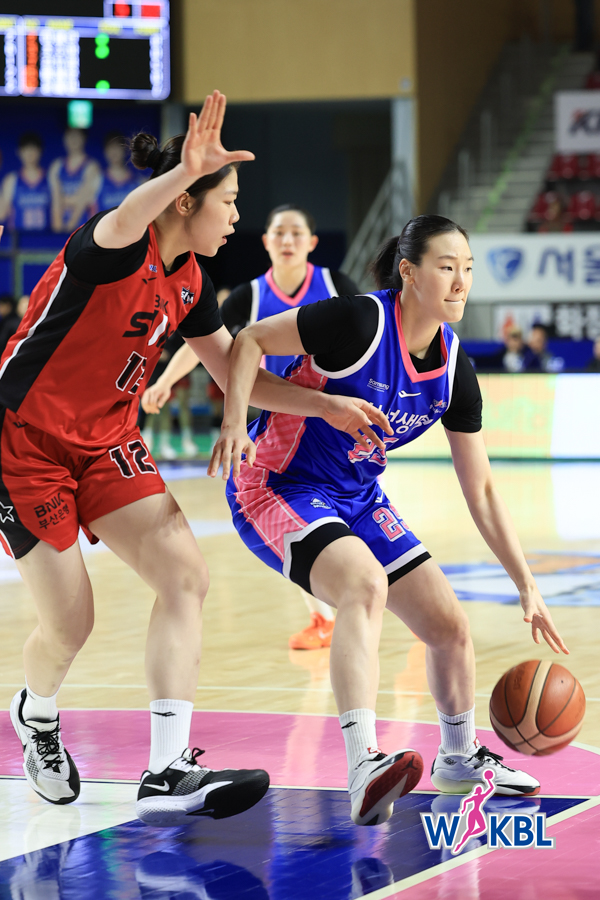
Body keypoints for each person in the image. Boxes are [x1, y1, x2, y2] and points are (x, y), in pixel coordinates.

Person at [0, 92, 387, 827]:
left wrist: (328, 405)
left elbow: (239, 373)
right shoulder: (113, 243)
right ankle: (36, 714)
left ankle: (167, 768)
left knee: (185, 575)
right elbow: (130, 214)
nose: (237, 217)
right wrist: (183, 171)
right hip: (25, 443)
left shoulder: (191, 283)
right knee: (71, 625)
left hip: (107, 443)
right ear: (185, 201)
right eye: (228, 201)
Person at [209, 214, 569, 827]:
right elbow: (247, 343)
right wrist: (235, 421)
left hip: (358, 495)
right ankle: (362, 764)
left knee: (449, 626)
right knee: (364, 584)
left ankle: (458, 757)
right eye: (446, 267)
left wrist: (526, 583)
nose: (461, 281)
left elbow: (481, 488)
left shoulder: (455, 368)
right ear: (410, 272)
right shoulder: (357, 322)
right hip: (277, 484)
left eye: (468, 269)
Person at [143, 204, 360, 650]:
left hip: (332, 422)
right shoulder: (251, 295)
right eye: (278, 232)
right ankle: (322, 618)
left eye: (296, 233)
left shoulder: (337, 286)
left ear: (312, 242)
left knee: (353, 518)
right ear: (265, 241)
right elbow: (203, 341)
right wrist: (165, 381)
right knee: (297, 523)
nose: (287, 240)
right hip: (278, 429)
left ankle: (399, 596)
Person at [48, 128, 101, 233]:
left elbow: (83, 201)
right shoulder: (57, 166)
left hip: (84, 229)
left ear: (84, 138)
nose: (73, 139)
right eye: (70, 136)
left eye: (77, 136)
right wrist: (58, 231)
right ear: (64, 139)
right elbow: (55, 202)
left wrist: (70, 229)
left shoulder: (92, 166)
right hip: (62, 228)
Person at [0, 133, 51, 232]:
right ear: (19, 152)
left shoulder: (50, 178)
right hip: (18, 239)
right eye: (26, 149)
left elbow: (57, 212)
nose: (30, 153)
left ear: (40, 151)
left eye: (33, 148)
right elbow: (2, 214)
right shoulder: (12, 179)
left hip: (46, 238)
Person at [93, 132, 140, 214]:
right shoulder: (96, 180)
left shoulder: (138, 181)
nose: (114, 150)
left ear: (125, 149)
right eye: (110, 147)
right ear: (105, 151)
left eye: (117, 146)